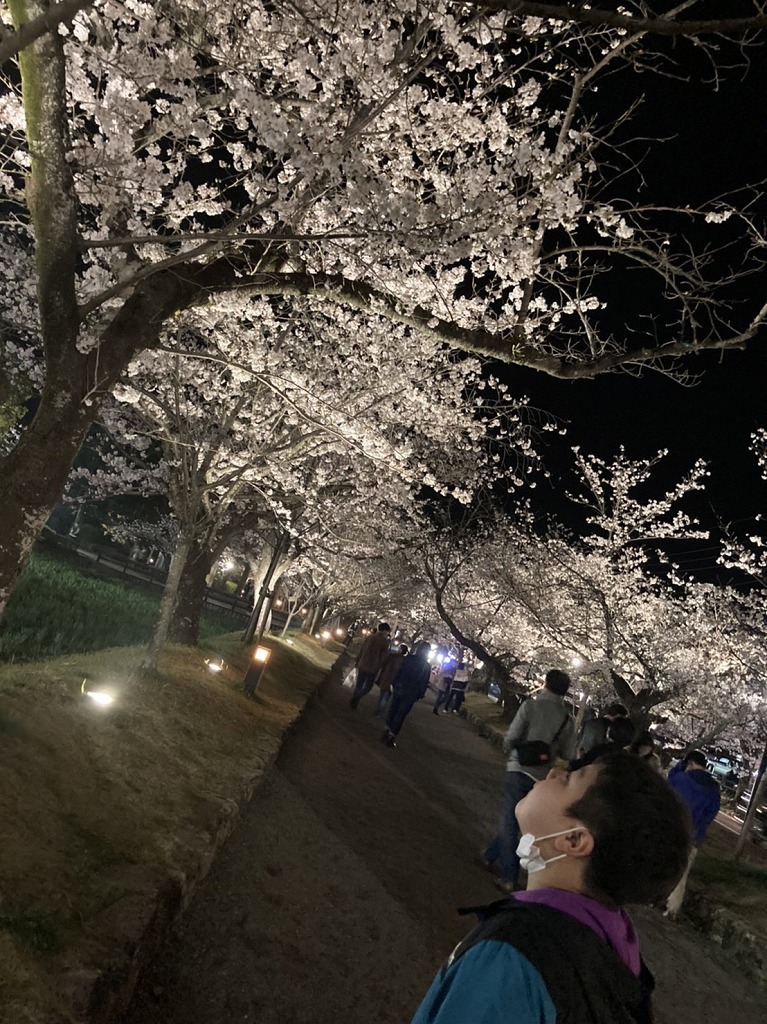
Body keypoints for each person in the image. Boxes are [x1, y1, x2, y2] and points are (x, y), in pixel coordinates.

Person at [412, 751, 692, 1024]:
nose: (554, 772)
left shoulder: (512, 957)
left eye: (568, 779)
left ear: (573, 840)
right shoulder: (614, 947)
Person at [482, 669, 576, 895]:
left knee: (510, 822)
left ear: (546, 684)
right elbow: (569, 753)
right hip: (541, 776)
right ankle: (488, 856)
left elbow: (512, 736)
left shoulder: (531, 706)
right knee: (520, 820)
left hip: (519, 767)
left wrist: (510, 749)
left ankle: (508, 878)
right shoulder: (567, 719)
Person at [665, 749, 721, 917]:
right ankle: (672, 908)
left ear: (690, 763)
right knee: (682, 872)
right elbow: (711, 813)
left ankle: (652, 896)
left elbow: (668, 787)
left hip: (674, 828)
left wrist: (678, 767)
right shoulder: (714, 788)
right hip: (694, 835)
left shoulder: (682, 779)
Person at [381, 641, 432, 748]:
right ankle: (392, 735)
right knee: (401, 714)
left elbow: (399, 671)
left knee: (393, 709)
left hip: (399, 687)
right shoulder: (426, 666)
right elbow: (424, 681)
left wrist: (394, 682)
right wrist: (420, 694)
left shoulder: (408, 659)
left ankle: (387, 729)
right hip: (411, 693)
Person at [349, 622, 391, 709]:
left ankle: (354, 700)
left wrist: (358, 660)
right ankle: (356, 698)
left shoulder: (370, 637)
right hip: (373, 667)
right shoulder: (384, 642)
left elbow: (362, 649)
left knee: (359, 684)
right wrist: (381, 666)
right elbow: (383, 656)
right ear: (385, 631)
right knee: (368, 687)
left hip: (363, 663)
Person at [374, 643, 409, 717]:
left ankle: (379, 710)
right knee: (386, 696)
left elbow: (384, 665)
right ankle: (380, 710)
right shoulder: (404, 661)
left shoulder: (392, 656)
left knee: (383, 695)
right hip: (394, 680)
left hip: (386, 677)